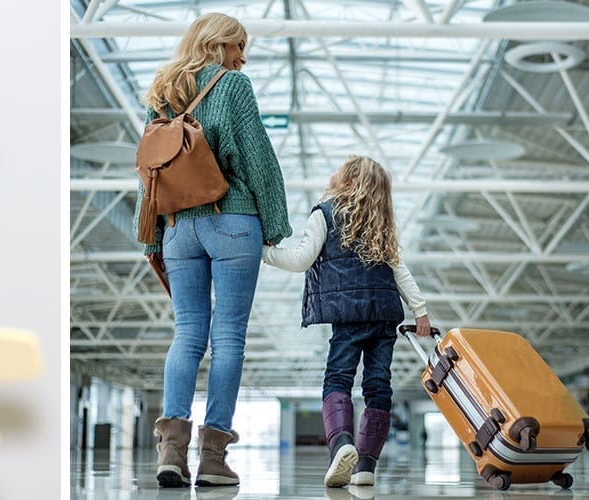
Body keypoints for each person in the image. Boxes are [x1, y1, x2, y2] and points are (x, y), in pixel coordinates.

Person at [136, 12, 292, 488]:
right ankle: (213, 458)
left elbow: (150, 170)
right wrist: (276, 224)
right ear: (217, 44)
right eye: (238, 46)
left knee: (187, 334)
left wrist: (154, 234)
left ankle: (171, 450)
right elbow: (258, 157)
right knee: (228, 339)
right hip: (231, 220)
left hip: (179, 226)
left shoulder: (163, 92)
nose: (242, 57)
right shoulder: (232, 87)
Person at [261, 155, 432, 488]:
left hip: (348, 314)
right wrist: (421, 311)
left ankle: (341, 444)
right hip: (384, 314)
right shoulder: (381, 225)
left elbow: (300, 260)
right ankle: (366, 465)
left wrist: (264, 252)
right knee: (378, 385)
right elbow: (400, 272)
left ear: (349, 182)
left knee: (338, 378)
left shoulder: (324, 214)